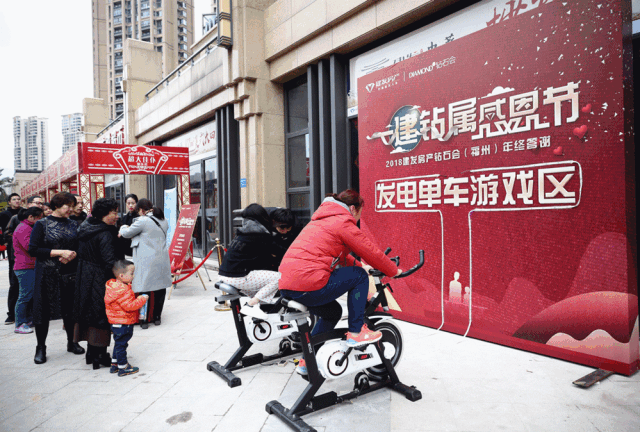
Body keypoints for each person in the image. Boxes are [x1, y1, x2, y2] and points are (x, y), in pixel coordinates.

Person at [278, 190, 401, 374]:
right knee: (359, 276)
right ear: (353, 209)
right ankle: (356, 332)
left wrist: (362, 265)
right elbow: (370, 250)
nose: (358, 219)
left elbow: (340, 255)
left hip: (287, 285)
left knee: (332, 313)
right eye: (359, 214)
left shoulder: (322, 219)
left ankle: (306, 362)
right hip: (308, 282)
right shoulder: (343, 221)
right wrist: (393, 270)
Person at [29, 192, 85, 364]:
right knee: (43, 311)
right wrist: (59, 252)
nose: (71, 209)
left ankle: (72, 342)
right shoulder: (42, 224)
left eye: (72, 206)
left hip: (69, 273)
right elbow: (33, 250)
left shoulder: (73, 224)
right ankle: (40, 347)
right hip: (47, 274)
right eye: (68, 205)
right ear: (57, 206)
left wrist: (72, 254)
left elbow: (79, 247)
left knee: (70, 310)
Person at [73, 198, 120, 369]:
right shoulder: (105, 233)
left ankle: (91, 352)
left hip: (84, 276)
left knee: (88, 312)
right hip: (100, 278)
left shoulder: (85, 227)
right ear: (104, 214)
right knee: (101, 314)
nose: (117, 216)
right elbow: (109, 261)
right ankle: (100, 354)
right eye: (114, 212)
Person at [217, 204, 280, 314]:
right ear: (263, 217)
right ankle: (251, 305)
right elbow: (276, 253)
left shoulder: (243, 232)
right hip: (238, 276)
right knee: (280, 278)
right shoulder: (260, 234)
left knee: (262, 286)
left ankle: (261, 307)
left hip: (225, 274)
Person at [119, 199, 172, 328]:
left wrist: (123, 226)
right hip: (161, 258)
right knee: (160, 288)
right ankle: (157, 317)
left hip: (146, 260)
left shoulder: (142, 221)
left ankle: (144, 319)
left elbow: (126, 233)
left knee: (144, 289)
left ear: (141, 210)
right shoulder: (163, 220)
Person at [104, 260, 148, 377]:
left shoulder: (114, 287)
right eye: (132, 273)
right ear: (122, 276)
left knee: (118, 344)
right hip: (123, 322)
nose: (133, 276)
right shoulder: (123, 291)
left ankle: (114, 365)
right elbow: (130, 306)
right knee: (122, 345)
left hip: (115, 322)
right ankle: (123, 367)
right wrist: (142, 299)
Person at [13, 207, 45, 334]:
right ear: (31, 217)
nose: (41, 220)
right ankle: (20, 323)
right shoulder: (23, 228)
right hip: (25, 267)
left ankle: (28, 320)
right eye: (39, 218)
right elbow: (29, 246)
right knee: (25, 296)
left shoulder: (27, 227)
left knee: (30, 295)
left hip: (29, 266)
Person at [1, 193, 22, 325]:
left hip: (26, 250)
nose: (17, 201)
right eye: (14, 199)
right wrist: (4, 242)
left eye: (18, 199)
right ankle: (11, 314)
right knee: (14, 282)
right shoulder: (4, 214)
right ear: (9, 202)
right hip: (12, 250)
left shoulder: (25, 213)